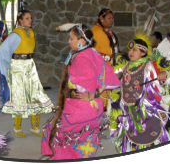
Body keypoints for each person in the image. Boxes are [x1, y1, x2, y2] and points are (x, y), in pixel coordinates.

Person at [110, 26, 170, 153]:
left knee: (147, 137)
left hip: (146, 109)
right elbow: (114, 77)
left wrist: (164, 74)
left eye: (135, 49)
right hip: (129, 109)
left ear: (143, 52)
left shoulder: (150, 64)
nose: (131, 52)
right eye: (130, 49)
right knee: (131, 136)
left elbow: (166, 74)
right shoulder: (126, 66)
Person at [40, 23, 121, 160]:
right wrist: (95, 93)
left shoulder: (81, 57)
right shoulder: (93, 53)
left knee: (53, 130)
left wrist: (88, 92)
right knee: (84, 139)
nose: (69, 41)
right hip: (94, 109)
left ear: (81, 41)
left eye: (71, 38)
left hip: (80, 109)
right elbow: (109, 76)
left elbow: (88, 77)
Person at [0, 10, 54, 137]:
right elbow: (2, 50)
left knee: (35, 95)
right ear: (20, 20)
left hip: (30, 66)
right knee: (19, 97)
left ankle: (35, 127)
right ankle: (17, 128)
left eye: (31, 18)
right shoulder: (16, 34)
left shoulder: (31, 32)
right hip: (18, 66)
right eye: (27, 18)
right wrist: (7, 67)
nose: (30, 20)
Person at [91, 8, 120, 111]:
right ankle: (100, 111)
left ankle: (107, 109)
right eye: (109, 18)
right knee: (102, 89)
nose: (111, 20)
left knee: (108, 89)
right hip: (101, 67)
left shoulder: (107, 31)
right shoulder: (96, 31)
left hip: (109, 65)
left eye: (112, 18)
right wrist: (105, 57)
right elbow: (91, 50)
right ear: (101, 18)